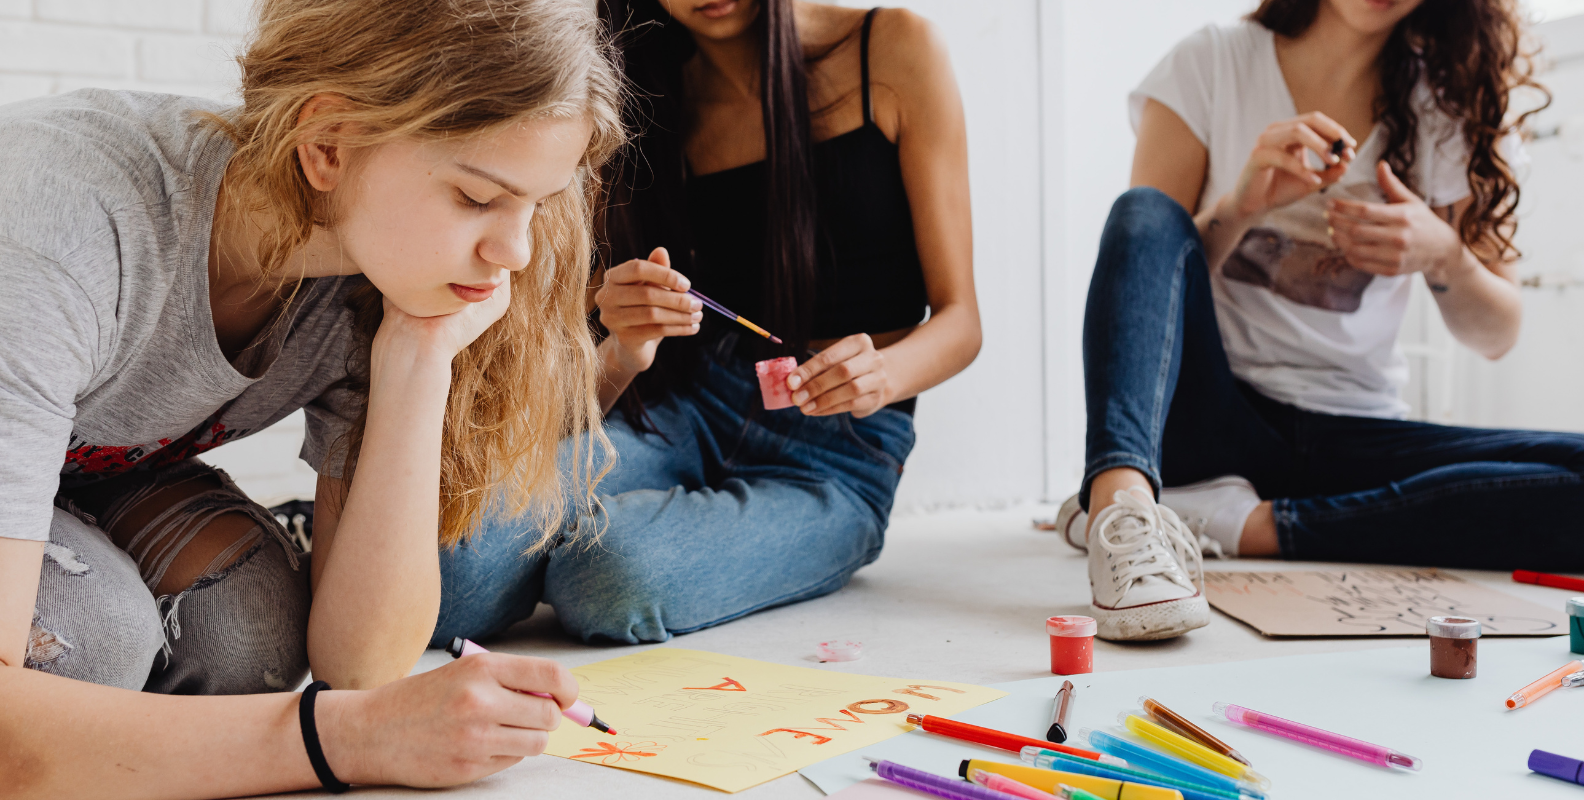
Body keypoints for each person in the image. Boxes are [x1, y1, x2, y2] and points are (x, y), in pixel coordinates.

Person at [0, 0, 627, 794]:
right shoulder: (57, 227)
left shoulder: (378, 279)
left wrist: (418, 358)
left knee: (249, 638)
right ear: (328, 144)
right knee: (94, 645)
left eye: (536, 204)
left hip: (81, 464)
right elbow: (357, 711)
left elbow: (359, 663)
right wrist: (346, 741)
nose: (515, 252)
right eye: (476, 198)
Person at [432, 0, 979, 645]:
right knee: (450, 579)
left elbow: (961, 321)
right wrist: (620, 308)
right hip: (688, 407)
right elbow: (571, 304)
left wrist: (881, 376)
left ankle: (634, 531)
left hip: (836, 457)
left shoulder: (890, 47)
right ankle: (636, 524)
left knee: (606, 577)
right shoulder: (647, 88)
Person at [1057, 0, 1580, 642]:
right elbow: (1143, 263)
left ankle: (1246, 526)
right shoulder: (1210, 63)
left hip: (1356, 428)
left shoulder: (1447, 101)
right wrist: (1241, 206)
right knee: (1142, 211)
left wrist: (1445, 257)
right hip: (1215, 419)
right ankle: (1120, 501)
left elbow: (1497, 334)